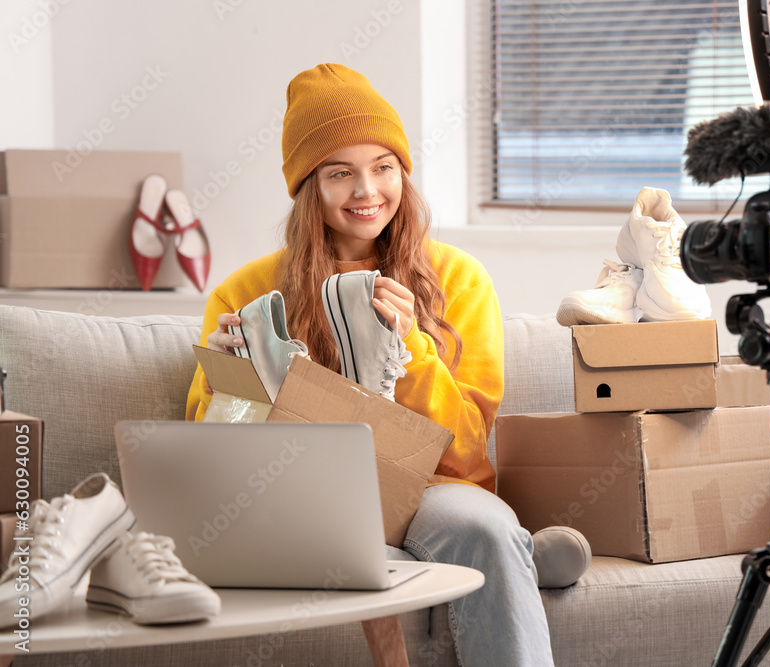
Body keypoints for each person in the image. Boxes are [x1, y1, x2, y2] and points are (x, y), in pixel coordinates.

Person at [185, 63, 556, 665]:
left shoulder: (457, 278)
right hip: (300, 491)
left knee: (484, 529)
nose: (367, 192)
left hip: (434, 490)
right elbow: (211, 460)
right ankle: (525, 552)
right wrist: (237, 385)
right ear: (309, 187)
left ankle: (501, 546)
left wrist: (409, 351)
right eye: (340, 173)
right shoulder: (244, 293)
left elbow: (467, 450)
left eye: (383, 168)